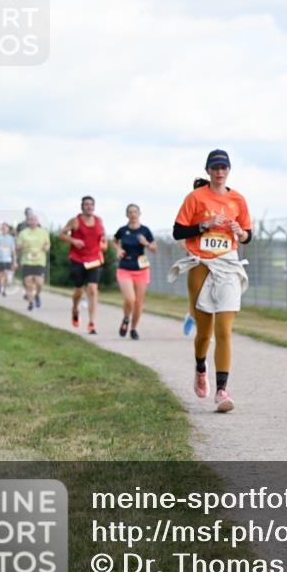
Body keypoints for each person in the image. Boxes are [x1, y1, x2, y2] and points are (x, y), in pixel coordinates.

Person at [170, 150, 251, 412]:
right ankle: (200, 367)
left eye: (223, 168)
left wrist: (241, 233)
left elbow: (248, 234)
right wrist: (203, 225)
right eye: (215, 168)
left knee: (224, 331)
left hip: (228, 264)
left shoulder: (238, 199)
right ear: (207, 171)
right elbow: (178, 231)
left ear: (228, 170)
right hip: (201, 264)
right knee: (204, 332)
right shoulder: (195, 197)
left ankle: (221, 391)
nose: (219, 172)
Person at [59, 196, 107, 334]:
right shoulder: (75, 221)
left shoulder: (99, 221)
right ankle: (75, 309)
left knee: (92, 289)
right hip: (78, 259)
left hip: (94, 259)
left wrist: (103, 245)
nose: (89, 207)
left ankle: (92, 323)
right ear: (82, 206)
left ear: (94, 207)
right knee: (79, 291)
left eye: (91, 204)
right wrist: (73, 240)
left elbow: (103, 239)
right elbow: (61, 235)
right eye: (86, 204)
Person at [114, 204, 156, 340]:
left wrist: (146, 244)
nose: (133, 214)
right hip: (125, 268)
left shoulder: (145, 230)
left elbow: (154, 248)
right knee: (130, 299)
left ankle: (133, 328)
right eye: (130, 212)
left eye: (135, 212)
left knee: (138, 302)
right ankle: (126, 318)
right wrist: (118, 249)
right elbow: (114, 241)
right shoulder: (122, 230)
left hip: (141, 269)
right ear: (127, 215)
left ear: (139, 213)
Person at [182, 178, 210, 337]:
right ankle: (192, 318)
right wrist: (191, 249)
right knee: (197, 296)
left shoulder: (214, 210)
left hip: (214, 260)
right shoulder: (189, 210)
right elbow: (179, 236)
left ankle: (206, 330)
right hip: (195, 260)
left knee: (211, 296)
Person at [17, 211, 51, 311]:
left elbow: (48, 244)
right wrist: (22, 246)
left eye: (35, 220)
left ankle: (37, 295)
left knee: (40, 283)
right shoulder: (23, 233)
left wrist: (46, 247)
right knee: (28, 283)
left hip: (39, 261)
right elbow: (17, 246)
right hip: (27, 261)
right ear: (28, 222)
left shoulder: (43, 232)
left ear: (38, 221)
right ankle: (31, 303)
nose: (33, 222)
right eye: (31, 220)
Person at [0, 222, 17, 295]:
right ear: (1, 228)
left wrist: (15, 261)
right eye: (3, 227)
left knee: (6, 274)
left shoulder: (11, 238)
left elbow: (13, 251)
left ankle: (4, 289)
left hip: (7, 260)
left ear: (8, 229)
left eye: (6, 227)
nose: (4, 229)